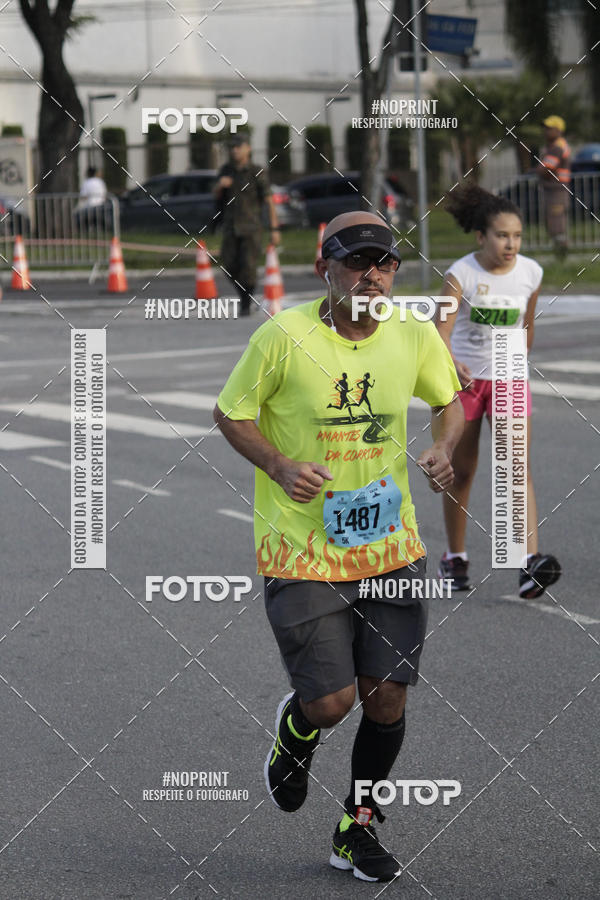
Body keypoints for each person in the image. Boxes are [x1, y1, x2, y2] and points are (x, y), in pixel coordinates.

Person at [214, 210, 463, 882]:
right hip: (301, 549)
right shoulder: (282, 336)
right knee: (331, 704)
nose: (372, 275)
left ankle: (357, 829)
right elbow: (231, 412)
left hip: (390, 545)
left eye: (385, 263)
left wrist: (443, 447)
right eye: (357, 262)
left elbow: (449, 400)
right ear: (324, 267)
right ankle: (297, 729)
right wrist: (278, 465)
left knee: (387, 699)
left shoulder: (412, 334)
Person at [435, 183, 561, 599]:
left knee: (514, 468)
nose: (511, 244)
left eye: (517, 236)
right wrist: (453, 365)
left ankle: (528, 563)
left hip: (509, 376)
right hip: (465, 379)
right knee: (462, 471)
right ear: (481, 237)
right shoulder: (461, 274)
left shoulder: (531, 273)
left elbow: (527, 326)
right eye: (502, 235)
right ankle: (455, 557)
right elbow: (440, 331)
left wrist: (517, 363)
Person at [213, 134, 280, 315]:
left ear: (247, 148)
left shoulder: (256, 171)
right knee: (228, 265)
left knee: (248, 267)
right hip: (230, 226)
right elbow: (215, 194)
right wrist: (220, 186)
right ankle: (244, 296)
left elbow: (269, 201)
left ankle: (245, 303)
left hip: (251, 227)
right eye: (232, 147)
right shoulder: (226, 170)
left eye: (238, 146)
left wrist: (274, 228)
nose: (235, 150)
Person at [535, 115, 571, 258]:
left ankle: (561, 256)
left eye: (549, 128)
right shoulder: (556, 146)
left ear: (558, 130)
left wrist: (537, 170)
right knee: (554, 222)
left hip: (556, 190)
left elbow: (547, 168)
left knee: (556, 223)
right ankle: (560, 255)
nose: (545, 131)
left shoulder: (557, 147)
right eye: (545, 128)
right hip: (556, 189)